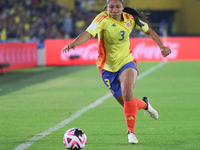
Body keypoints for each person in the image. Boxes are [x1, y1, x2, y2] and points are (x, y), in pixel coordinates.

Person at [63, 0, 171, 144]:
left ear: (122, 8)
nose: (114, 10)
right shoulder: (102, 19)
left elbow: (149, 31)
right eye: (111, 7)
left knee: (127, 94)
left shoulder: (130, 19)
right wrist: (73, 43)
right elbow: (88, 33)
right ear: (107, 7)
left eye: (117, 6)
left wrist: (162, 46)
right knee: (128, 103)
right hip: (107, 68)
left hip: (127, 61)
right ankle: (145, 105)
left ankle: (131, 133)